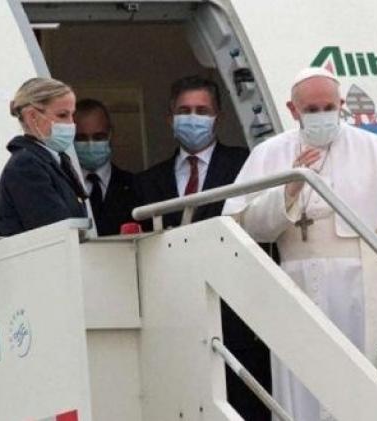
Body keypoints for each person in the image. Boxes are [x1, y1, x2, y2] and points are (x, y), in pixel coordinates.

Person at [223, 67, 377, 421]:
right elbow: (248, 227)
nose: (322, 115)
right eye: (311, 109)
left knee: (366, 391)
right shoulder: (270, 152)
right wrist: (287, 190)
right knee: (304, 389)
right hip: (298, 286)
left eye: (329, 107)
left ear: (341, 105)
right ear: (293, 110)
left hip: (370, 287)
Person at [134, 75, 270, 420]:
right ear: (169, 119)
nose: (192, 118)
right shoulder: (148, 180)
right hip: (173, 316)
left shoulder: (246, 166)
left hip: (235, 317)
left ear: (217, 117)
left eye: (201, 110)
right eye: (184, 111)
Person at [0, 77, 87, 236]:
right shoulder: (26, 165)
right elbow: (53, 231)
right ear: (32, 117)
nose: (71, 123)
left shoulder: (55, 160)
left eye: (72, 115)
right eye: (63, 115)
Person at [74, 98, 137, 236]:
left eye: (98, 137)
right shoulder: (63, 186)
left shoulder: (136, 185)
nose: (90, 144)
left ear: (110, 135)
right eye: (82, 138)